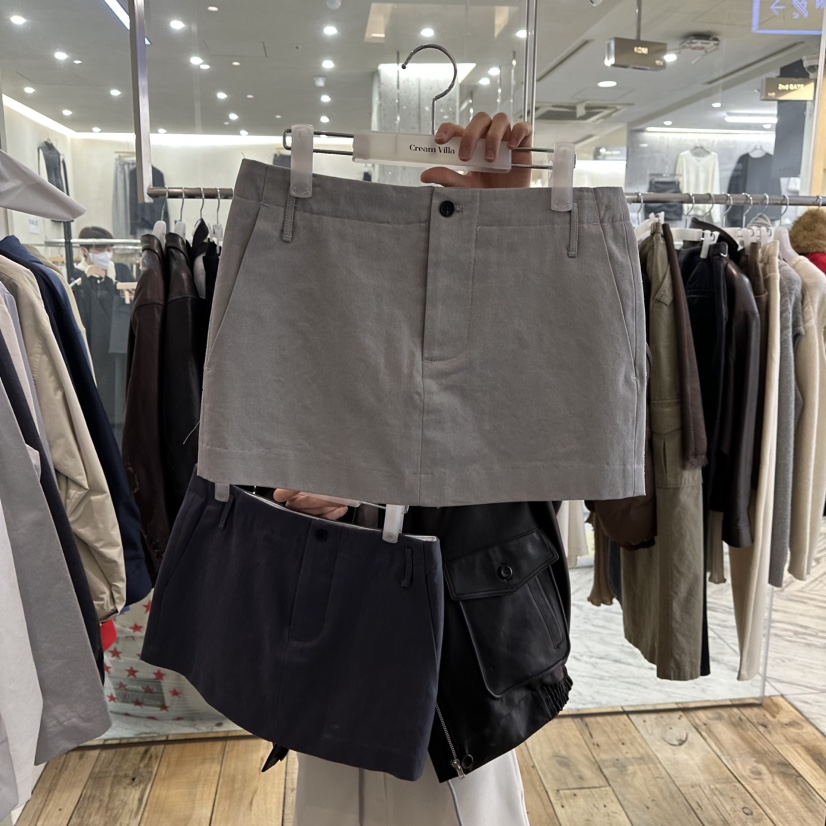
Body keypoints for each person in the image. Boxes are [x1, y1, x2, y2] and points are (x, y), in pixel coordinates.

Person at [275, 114, 555, 826]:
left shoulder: (501, 326)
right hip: (338, 628)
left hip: (460, 638)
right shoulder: (307, 306)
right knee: (338, 800)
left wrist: (506, 233)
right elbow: (259, 450)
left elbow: (536, 417)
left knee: (457, 802)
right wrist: (290, 498)